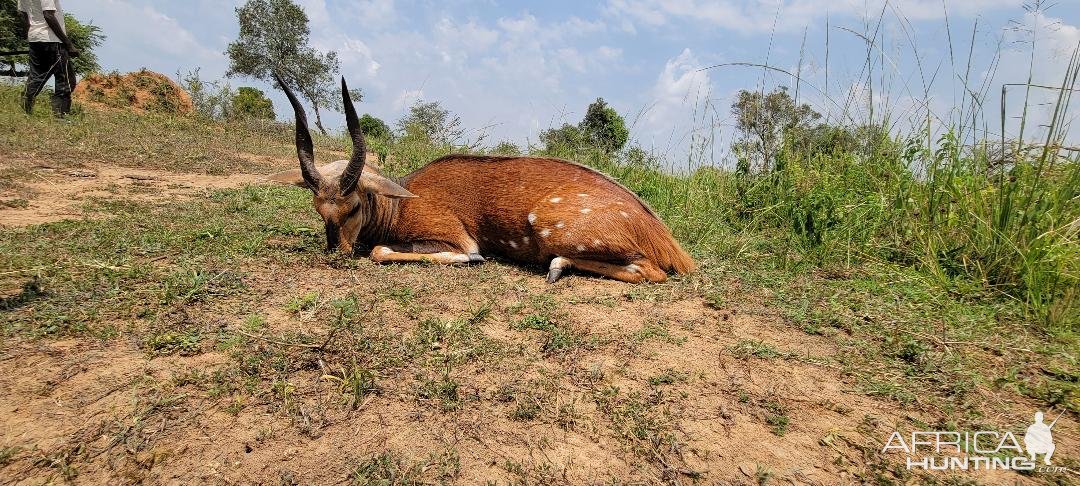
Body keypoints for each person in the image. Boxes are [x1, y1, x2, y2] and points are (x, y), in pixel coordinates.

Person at [17, 0, 80, 117]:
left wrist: (30, 36)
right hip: (52, 39)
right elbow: (48, 15)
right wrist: (69, 44)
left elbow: (24, 15)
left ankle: (25, 111)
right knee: (65, 80)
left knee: (36, 76)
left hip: (35, 38)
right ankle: (60, 117)